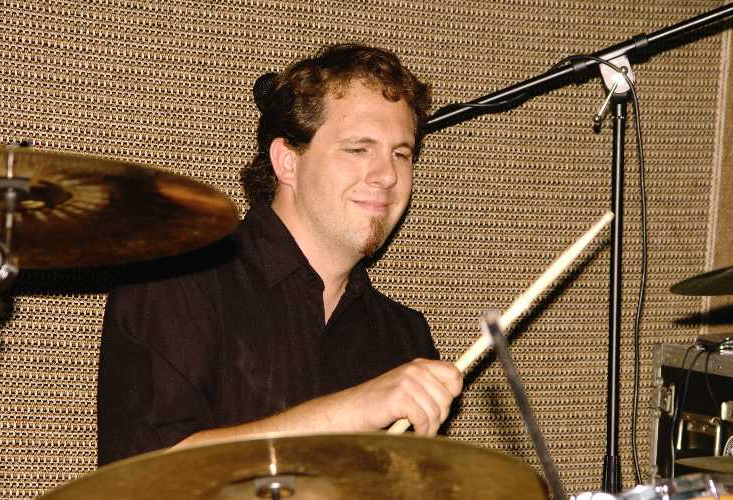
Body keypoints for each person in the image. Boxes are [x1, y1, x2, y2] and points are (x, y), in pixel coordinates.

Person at [97, 43, 463, 466]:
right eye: (358, 149)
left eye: (401, 154)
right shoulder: (176, 280)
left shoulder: (404, 337)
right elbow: (147, 476)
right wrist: (356, 410)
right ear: (287, 162)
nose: (387, 175)